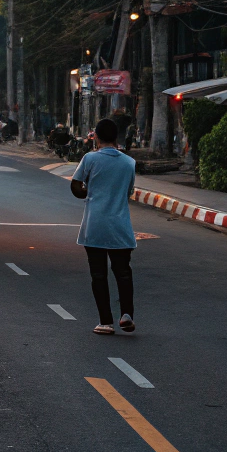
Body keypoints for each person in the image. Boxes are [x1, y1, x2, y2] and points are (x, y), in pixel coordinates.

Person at [70, 116, 137, 335]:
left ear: (96, 137)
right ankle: (126, 315)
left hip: (95, 226)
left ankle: (105, 322)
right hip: (120, 226)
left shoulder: (89, 159)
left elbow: (76, 186)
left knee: (98, 275)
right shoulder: (129, 163)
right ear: (116, 138)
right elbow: (128, 192)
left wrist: (89, 191)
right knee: (123, 273)